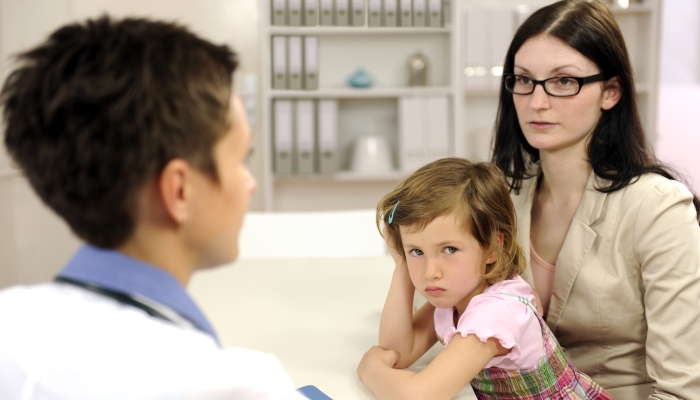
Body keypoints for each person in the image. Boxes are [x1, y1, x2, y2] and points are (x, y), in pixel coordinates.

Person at [0, 17, 306, 399]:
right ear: (179, 191)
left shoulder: (7, 321)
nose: (250, 183)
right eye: (241, 159)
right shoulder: (232, 384)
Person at [490, 0, 700, 398]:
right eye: (523, 79)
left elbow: (682, 390)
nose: (536, 102)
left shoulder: (658, 207)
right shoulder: (502, 196)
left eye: (564, 81)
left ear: (611, 91)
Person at [357, 158, 613, 400]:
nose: (429, 272)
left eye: (449, 250)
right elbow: (397, 352)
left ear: (492, 247)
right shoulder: (457, 292)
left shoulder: (493, 314)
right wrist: (402, 267)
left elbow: (417, 395)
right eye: (417, 251)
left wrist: (370, 369)